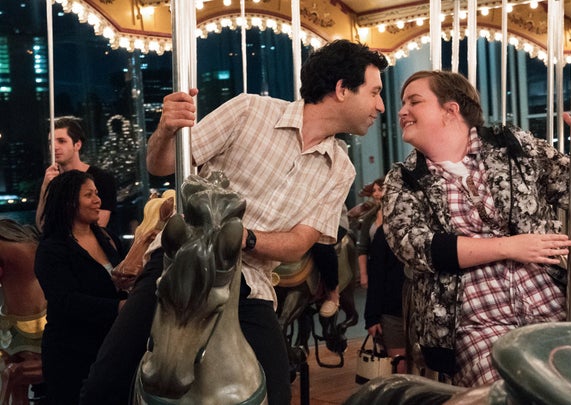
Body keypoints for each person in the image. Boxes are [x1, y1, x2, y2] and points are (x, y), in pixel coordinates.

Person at [80, 39, 388, 405]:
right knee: (105, 380)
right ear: (341, 89)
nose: (380, 106)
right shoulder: (250, 111)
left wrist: (245, 238)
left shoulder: (341, 169)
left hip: (250, 283)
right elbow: (162, 165)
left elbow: (299, 242)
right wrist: (166, 129)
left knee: (275, 391)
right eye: (374, 93)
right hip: (181, 267)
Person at [382, 70, 571, 386]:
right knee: (508, 388)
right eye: (402, 103)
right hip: (472, 319)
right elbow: (414, 246)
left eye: (414, 101)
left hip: (547, 298)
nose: (402, 110)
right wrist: (507, 246)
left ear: (450, 110)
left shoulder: (512, 145)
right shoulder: (405, 179)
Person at [33, 170, 127, 404]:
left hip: (111, 349)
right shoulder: (51, 249)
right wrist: (118, 307)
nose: (98, 200)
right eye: (89, 195)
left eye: (96, 193)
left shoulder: (108, 238)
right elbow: (65, 301)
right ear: (68, 202)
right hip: (71, 354)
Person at [359, 177, 407, 373]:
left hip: (418, 311)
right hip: (392, 309)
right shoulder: (382, 232)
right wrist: (372, 316)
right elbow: (377, 274)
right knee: (400, 367)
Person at [36, 116, 117, 230]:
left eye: (62, 141)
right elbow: (42, 226)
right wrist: (45, 187)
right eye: (51, 143)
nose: (54, 147)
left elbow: (99, 226)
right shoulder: (48, 180)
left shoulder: (102, 178)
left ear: (77, 145)